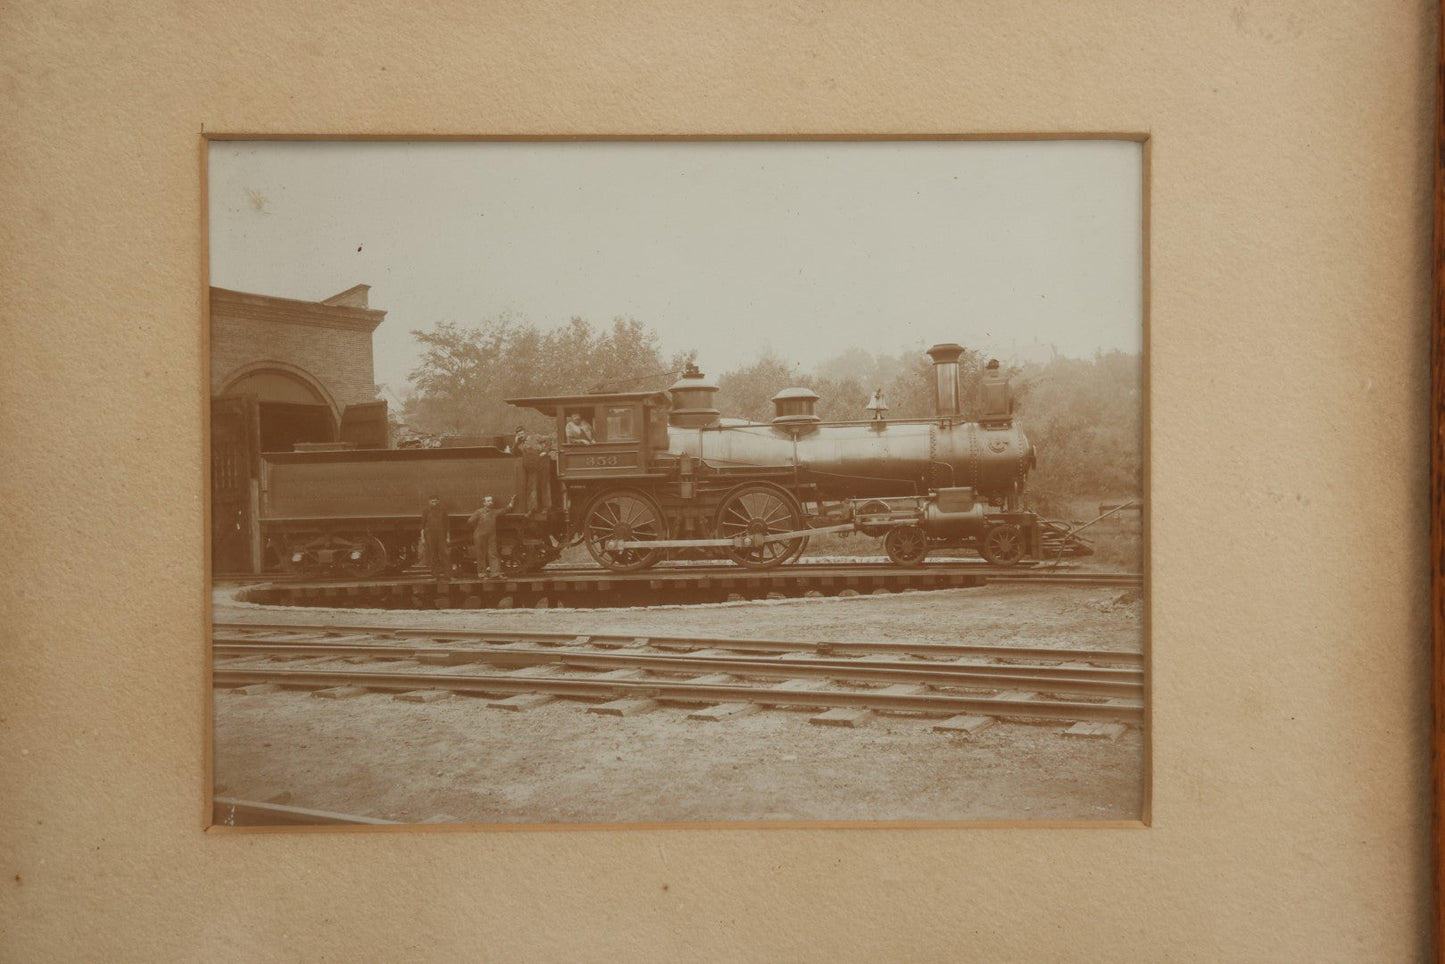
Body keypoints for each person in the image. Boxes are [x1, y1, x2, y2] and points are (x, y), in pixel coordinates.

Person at [467, 495, 502, 578]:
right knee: (480, 555)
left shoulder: (494, 512)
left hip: (491, 536)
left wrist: (511, 504)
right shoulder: (479, 512)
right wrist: (478, 528)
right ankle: (482, 574)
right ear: (484, 503)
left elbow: (505, 510)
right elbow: (470, 521)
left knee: (493, 553)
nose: (490, 502)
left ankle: (495, 573)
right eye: (488, 501)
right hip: (480, 536)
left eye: (491, 501)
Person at [419, 494, 450, 581]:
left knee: (444, 554)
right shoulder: (426, 511)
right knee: (433, 555)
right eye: (432, 501)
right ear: (429, 502)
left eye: (435, 501)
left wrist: (447, 537)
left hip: (441, 535)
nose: (434, 503)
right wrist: (422, 538)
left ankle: (447, 575)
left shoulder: (443, 510)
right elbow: (423, 525)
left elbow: (447, 525)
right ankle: (435, 576)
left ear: (438, 501)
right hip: (430, 536)